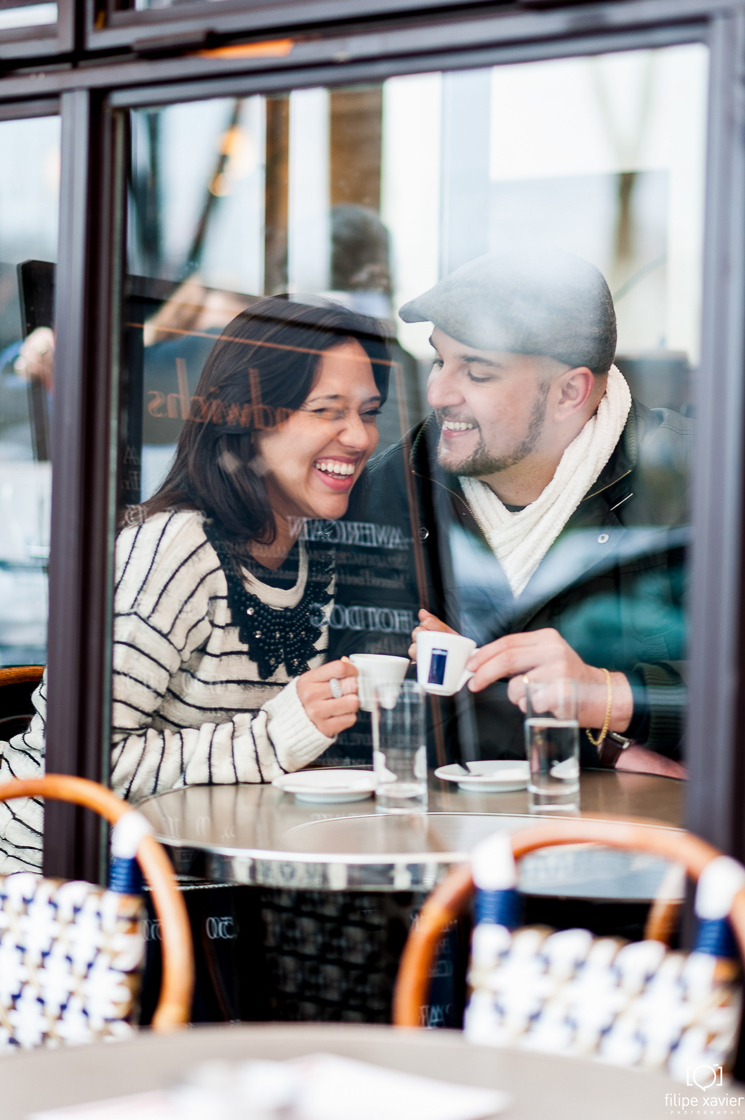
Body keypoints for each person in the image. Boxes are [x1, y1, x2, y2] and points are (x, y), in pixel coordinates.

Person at [0, 298, 390, 870]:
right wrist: (272, 740)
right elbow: (78, 761)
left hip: (190, 879)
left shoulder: (314, 552)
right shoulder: (173, 549)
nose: (358, 437)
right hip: (50, 882)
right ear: (250, 419)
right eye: (326, 410)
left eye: (370, 412)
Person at [331, 248, 688, 777]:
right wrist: (605, 743)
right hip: (454, 844)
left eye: (476, 372)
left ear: (571, 392)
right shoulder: (389, 490)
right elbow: (376, 713)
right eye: (438, 360)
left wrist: (604, 693)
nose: (437, 392)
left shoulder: (693, 486)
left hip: (651, 843)